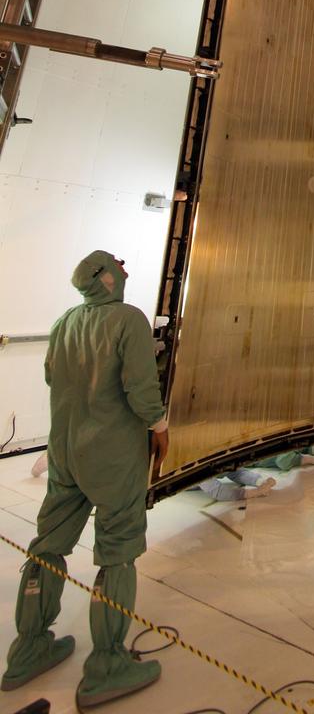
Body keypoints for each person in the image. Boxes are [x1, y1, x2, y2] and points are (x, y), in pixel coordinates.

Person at [1, 251, 169, 707]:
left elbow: (53, 377)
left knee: (48, 542)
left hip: (66, 454)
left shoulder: (64, 323)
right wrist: (159, 427)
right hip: (114, 458)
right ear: (109, 279)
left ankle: (29, 648)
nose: (126, 269)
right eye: (120, 265)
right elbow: (140, 386)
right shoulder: (129, 321)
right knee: (117, 551)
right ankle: (107, 664)